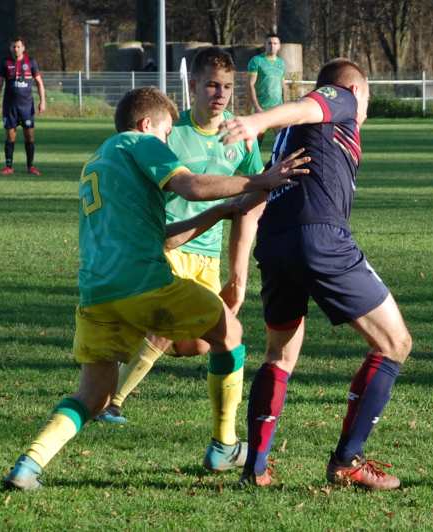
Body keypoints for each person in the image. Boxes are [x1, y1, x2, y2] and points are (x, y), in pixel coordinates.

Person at [1, 86, 308, 491]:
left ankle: (28, 465)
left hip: (97, 293)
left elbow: (161, 236)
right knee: (230, 333)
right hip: (145, 283)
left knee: (92, 396)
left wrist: (218, 213)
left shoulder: (101, 158)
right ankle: (224, 445)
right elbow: (193, 186)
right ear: (148, 125)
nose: (168, 144)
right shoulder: (140, 143)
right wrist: (260, 179)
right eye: (166, 135)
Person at [220, 58, 413, 490]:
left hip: (276, 241)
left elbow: (255, 197)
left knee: (280, 355)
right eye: (365, 102)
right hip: (319, 237)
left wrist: (239, 269)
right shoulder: (340, 98)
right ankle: (347, 460)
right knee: (395, 343)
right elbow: (307, 104)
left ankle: (256, 468)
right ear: (357, 92)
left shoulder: (292, 138)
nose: (362, 113)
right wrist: (255, 120)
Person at [94, 47, 265, 473]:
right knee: (165, 330)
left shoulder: (242, 139)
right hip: (167, 247)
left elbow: (250, 207)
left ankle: (113, 372)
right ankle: (110, 400)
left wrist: (239, 275)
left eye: (227, 86)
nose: (220, 94)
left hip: (207, 258)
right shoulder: (171, 132)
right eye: (211, 84)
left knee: (202, 343)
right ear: (192, 86)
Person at [0, 37, 45, 176]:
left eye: (18, 46)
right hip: (10, 107)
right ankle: (9, 166)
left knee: (30, 137)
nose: (16, 49)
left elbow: (39, 83)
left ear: (23, 48)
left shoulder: (31, 62)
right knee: (10, 137)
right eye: (13, 47)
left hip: (27, 107)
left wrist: (42, 101)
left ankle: (31, 166)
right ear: (11, 48)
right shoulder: (5, 62)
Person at [247, 33, 285, 145]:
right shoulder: (256, 61)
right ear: (265, 45)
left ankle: (277, 162)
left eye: (275, 43)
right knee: (256, 142)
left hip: (277, 108)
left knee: (281, 140)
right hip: (261, 108)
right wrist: (257, 106)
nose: (272, 46)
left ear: (279, 46)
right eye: (269, 43)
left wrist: (285, 104)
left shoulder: (281, 63)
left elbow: (283, 85)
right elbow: (250, 85)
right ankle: (251, 162)